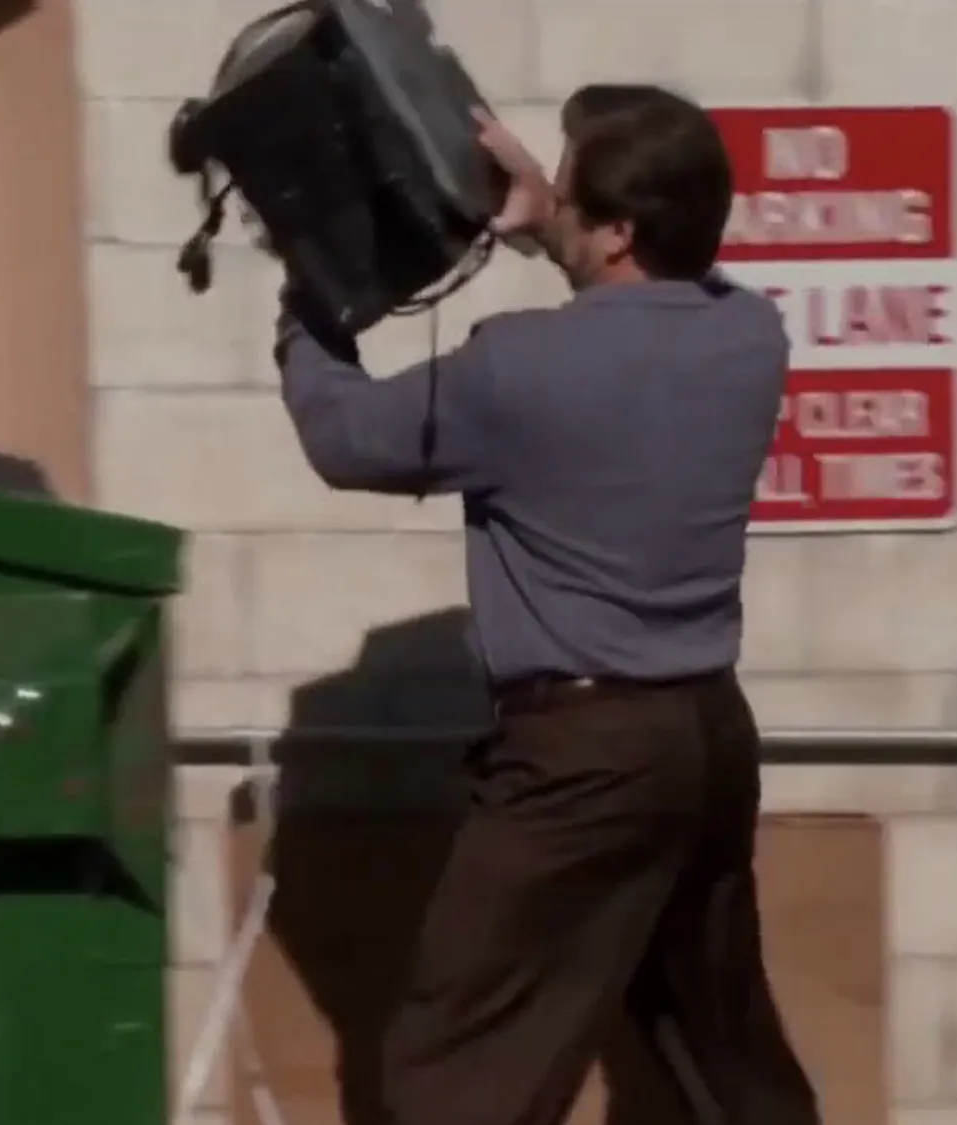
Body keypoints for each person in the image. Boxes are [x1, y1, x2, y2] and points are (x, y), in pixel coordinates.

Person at [273, 83, 821, 1125]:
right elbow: (640, 304)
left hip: (579, 760)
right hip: (704, 736)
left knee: (459, 1060)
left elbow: (345, 438)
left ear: (615, 230)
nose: (548, 201)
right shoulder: (749, 336)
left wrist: (308, 304)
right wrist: (538, 227)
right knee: (716, 1046)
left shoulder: (518, 370)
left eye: (563, 193)